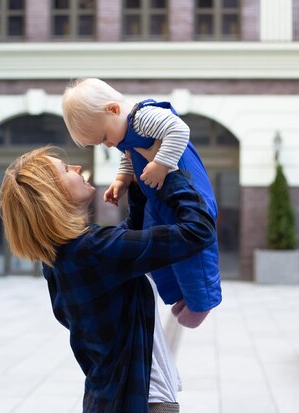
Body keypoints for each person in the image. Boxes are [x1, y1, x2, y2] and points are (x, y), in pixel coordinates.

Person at [0, 144, 216, 413]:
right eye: (66, 170)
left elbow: (123, 247)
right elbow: (197, 232)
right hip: (141, 407)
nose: (76, 167)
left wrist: (137, 186)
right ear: (52, 196)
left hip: (112, 404)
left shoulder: (62, 258)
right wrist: (171, 173)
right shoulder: (91, 250)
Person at [62, 78, 222, 328]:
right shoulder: (122, 133)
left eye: (104, 137)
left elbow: (179, 130)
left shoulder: (144, 117)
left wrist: (161, 164)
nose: (108, 144)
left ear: (113, 109)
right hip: (157, 198)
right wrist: (122, 180)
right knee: (160, 248)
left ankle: (203, 300)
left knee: (195, 251)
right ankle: (179, 293)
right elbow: (130, 154)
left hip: (188, 190)